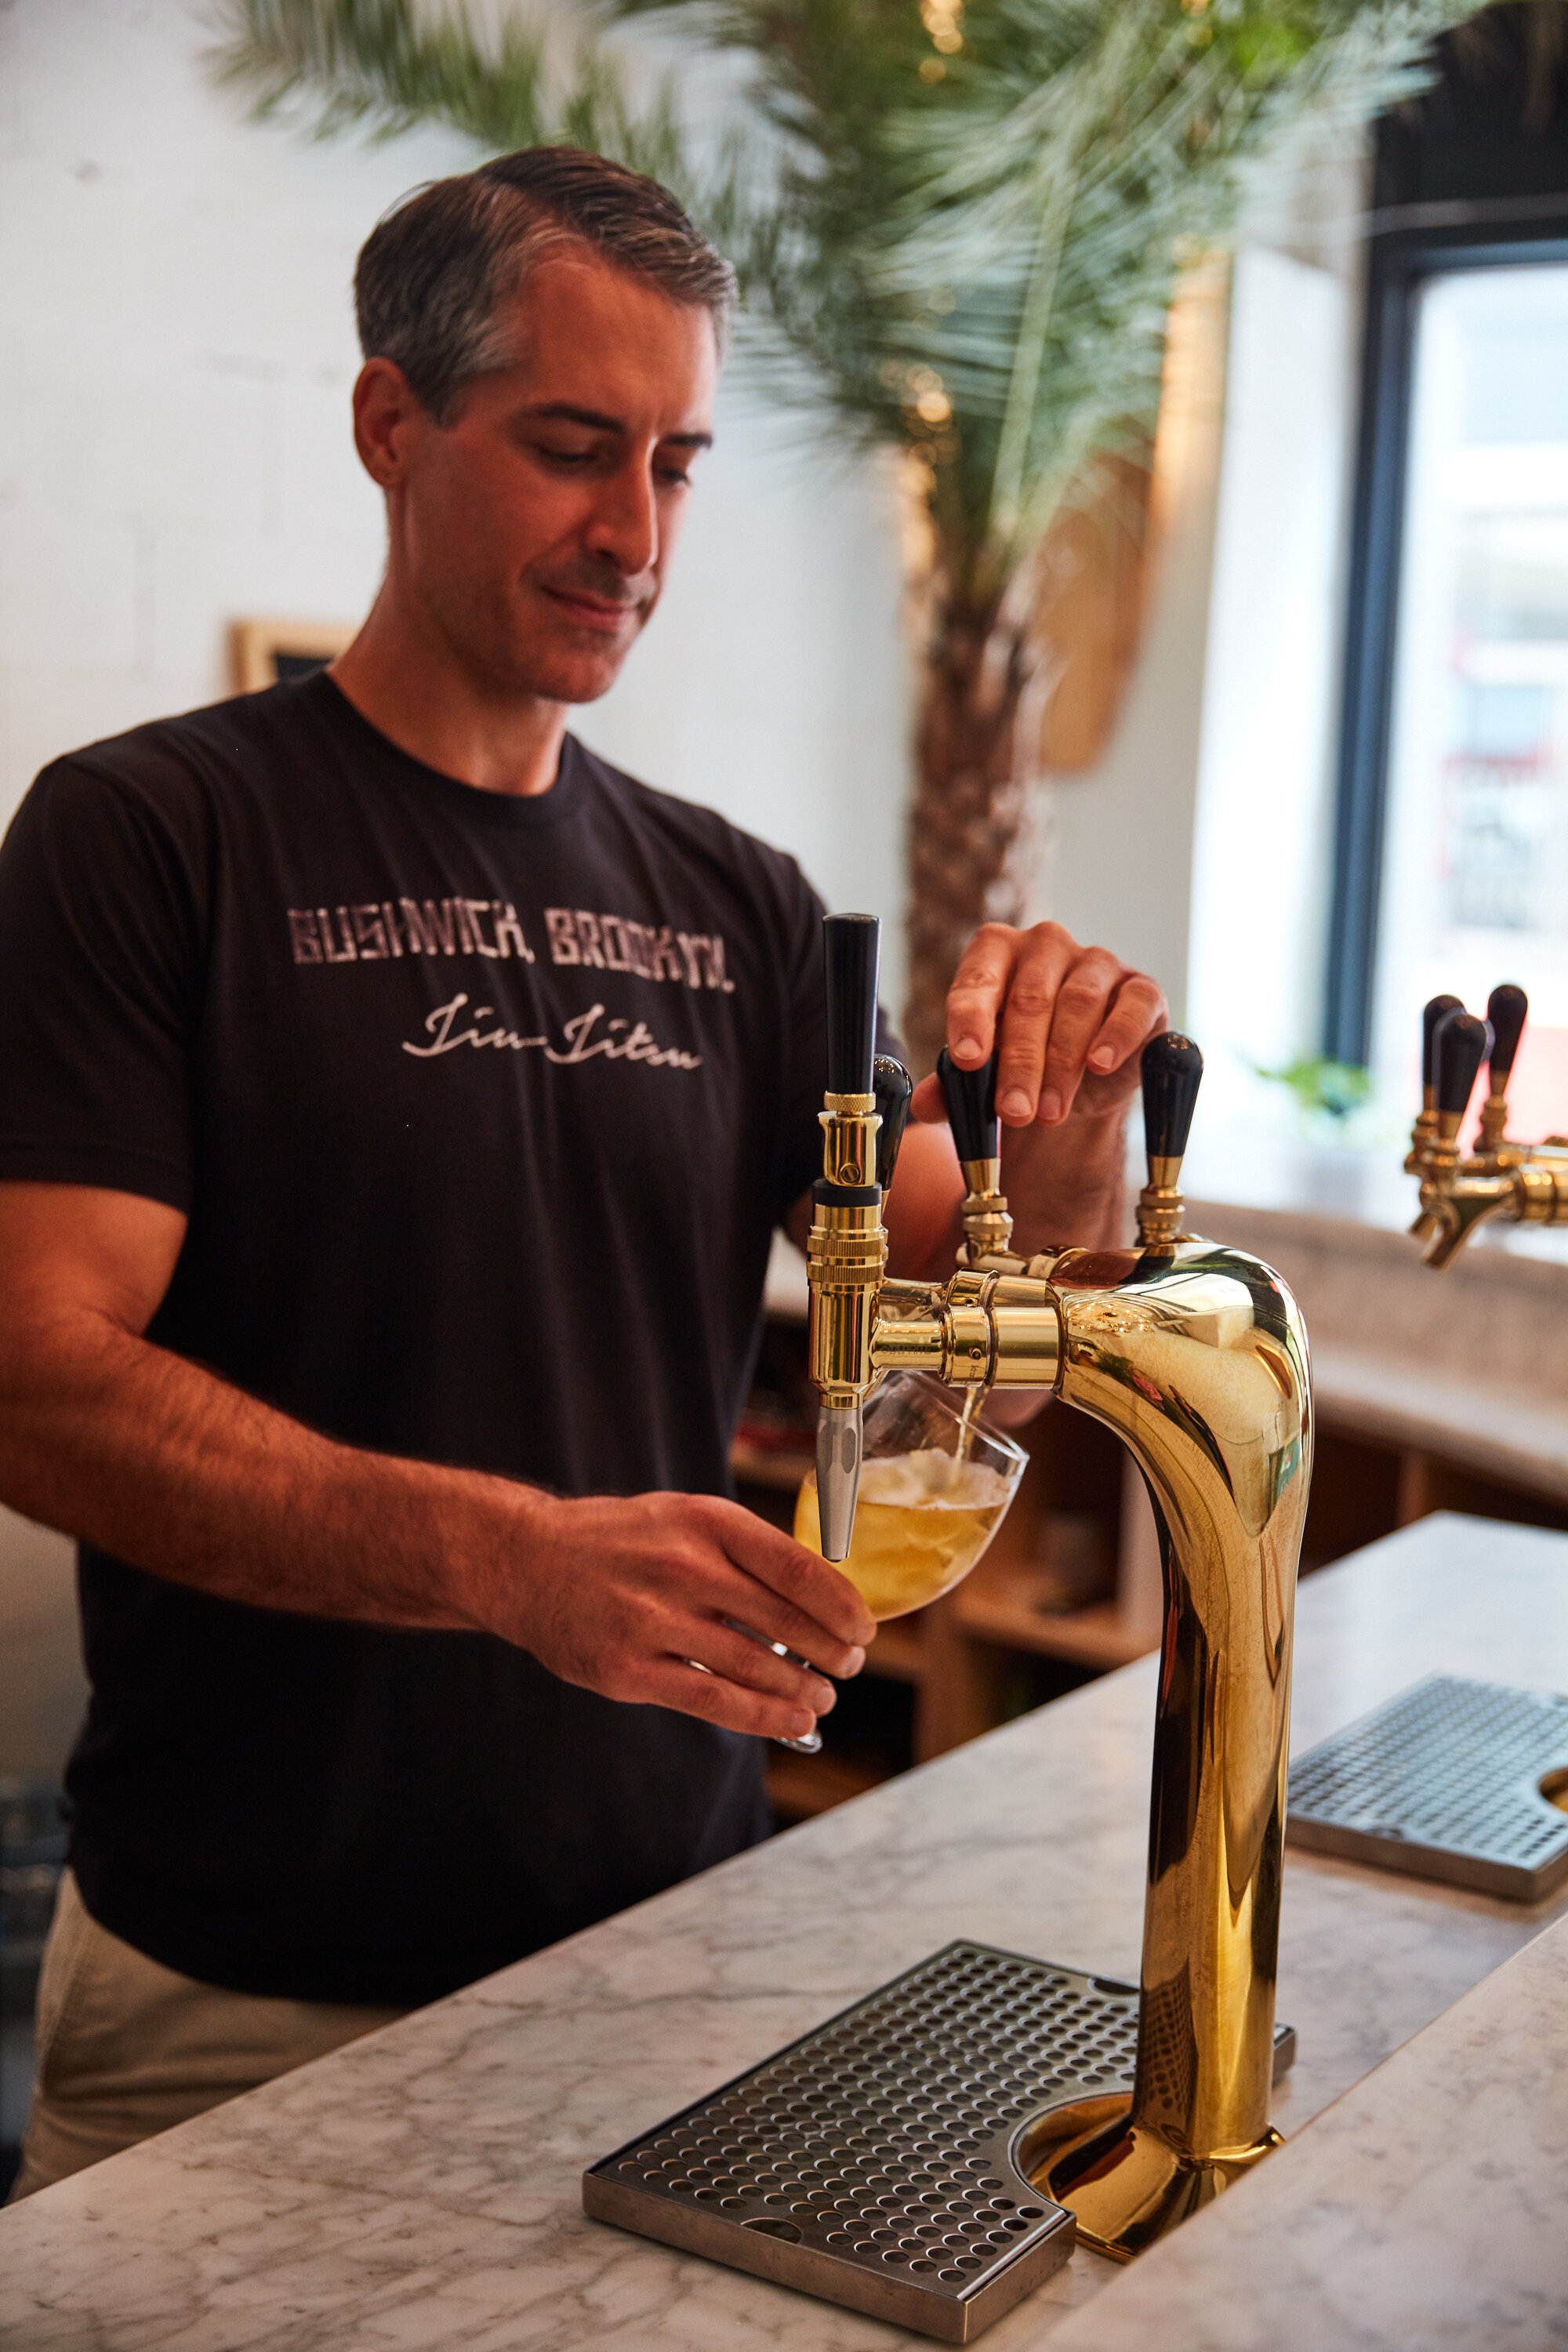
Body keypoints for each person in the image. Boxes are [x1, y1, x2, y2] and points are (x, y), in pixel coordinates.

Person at [0, 147, 1166, 2201]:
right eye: (569, 448)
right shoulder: (148, 840)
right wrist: (507, 1560)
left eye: (679, 465)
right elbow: (36, 1376)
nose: (633, 532)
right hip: (243, 2006)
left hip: (667, 1972)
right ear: (391, 421)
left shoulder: (745, 908)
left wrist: (1080, 1123)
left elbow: (979, 1345)